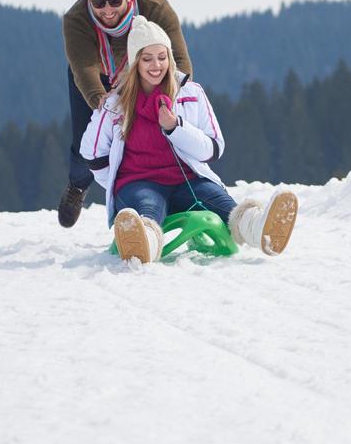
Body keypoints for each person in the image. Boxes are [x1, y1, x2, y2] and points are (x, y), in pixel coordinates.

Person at [82, 16, 298, 264]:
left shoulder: (190, 93)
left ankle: (260, 230)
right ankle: (143, 244)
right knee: (146, 207)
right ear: (135, 62)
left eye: (162, 57)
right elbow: (93, 155)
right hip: (139, 183)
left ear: (170, 58)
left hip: (187, 181)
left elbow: (213, 148)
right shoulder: (115, 104)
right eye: (147, 58)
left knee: (222, 203)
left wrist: (175, 128)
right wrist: (116, 182)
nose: (156, 65)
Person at [58, 0, 192, 228]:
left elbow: (180, 61)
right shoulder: (76, 19)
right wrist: (101, 102)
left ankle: (162, 192)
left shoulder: (156, 8)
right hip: (97, 80)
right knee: (88, 143)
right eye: (98, 3)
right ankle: (78, 185)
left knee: (152, 137)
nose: (107, 10)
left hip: (145, 74)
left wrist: (170, 98)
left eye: (115, 1)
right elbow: (84, 67)